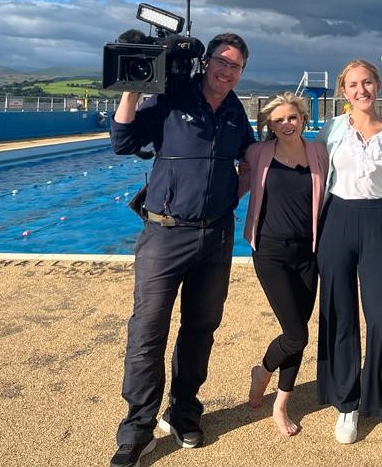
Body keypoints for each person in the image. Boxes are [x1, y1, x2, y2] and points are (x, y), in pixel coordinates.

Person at [108, 33, 255, 467]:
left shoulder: (234, 111)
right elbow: (123, 140)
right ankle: (137, 429)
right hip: (165, 234)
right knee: (147, 331)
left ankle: (184, 411)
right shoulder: (172, 98)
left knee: (201, 327)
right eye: (221, 62)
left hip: (216, 236)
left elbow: (251, 156)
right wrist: (133, 89)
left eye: (236, 66)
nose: (226, 71)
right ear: (206, 62)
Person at [315, 59, 382, 455]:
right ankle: (347, 402)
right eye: (353, 84)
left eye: (367, 82)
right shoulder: (332, 130)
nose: (361, 90)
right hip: (337, 222)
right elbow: (316, 177)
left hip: (379, 226)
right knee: (340, 316)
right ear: (344, 91)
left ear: (378, 85)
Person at [240, 92, 329, 436]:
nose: (286, 124)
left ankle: (280, 404)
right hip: (271, 252)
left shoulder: (318, 153)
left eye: (292, 117)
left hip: (309, 254)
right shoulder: (258, 153)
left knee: (298, 335)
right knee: (296, 334)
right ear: (268, 125)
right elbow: (234, 187)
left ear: (303, 118)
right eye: (278, 120)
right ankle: (263, 371)